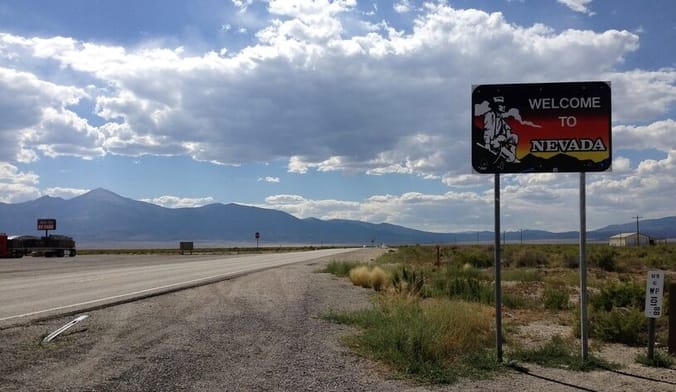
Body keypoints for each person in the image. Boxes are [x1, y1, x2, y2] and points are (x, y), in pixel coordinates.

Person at [482, 96, 519, 163]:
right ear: (496, 106)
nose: (504, 107)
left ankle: (512, 156)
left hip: (500, 139)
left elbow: (507, 127)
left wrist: (507, 133)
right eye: (502, 105)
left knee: (514, 137)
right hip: (492, 141)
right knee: (498, 143)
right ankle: (511, 158)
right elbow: (487, 129)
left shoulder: (500, 117)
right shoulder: (489, 115)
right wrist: (487, 143)